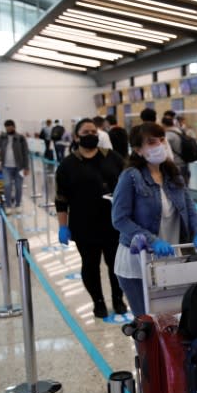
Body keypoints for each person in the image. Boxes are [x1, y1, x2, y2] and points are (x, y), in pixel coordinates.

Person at [111, 122, 197, 316]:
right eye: (151, 142)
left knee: (172, 321)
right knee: (147, 325)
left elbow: (191, 211)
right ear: (138, 150)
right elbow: (120, 219)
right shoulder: (130, 177)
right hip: (137, 264)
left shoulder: (173, 174)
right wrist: (152, 240)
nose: (159, 145)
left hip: (170, 260)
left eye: (161, 139)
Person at [56, 118, 126, 317]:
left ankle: (118, 299)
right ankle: (98, 301)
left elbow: (128, 187)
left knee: (116, 265)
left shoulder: (113, 158)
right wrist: (63, 226)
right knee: (90, 265)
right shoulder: (67, 165)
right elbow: (61, 198)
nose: (91, 135)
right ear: (77, 137)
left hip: (114, 224)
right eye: (86, 132)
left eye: (94, 132)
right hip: (83, 225)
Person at [0, 120, 30, 212]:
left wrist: (26, 167)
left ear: (14, 127)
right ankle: (8, 205)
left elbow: (25, 153)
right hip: (6, 167)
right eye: (7, 127)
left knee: (18, 186)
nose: (8, 128)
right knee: (7, 185)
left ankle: (18, 204)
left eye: (10, 126)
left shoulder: (20, 138)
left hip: (19, 167)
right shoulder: (2, 137)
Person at [162, 115, 189, 182]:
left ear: (164, 124)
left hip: (175, 164)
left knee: (177, 186)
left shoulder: (168, 135)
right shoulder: (180, 132)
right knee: (184, 185)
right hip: (184, 163)